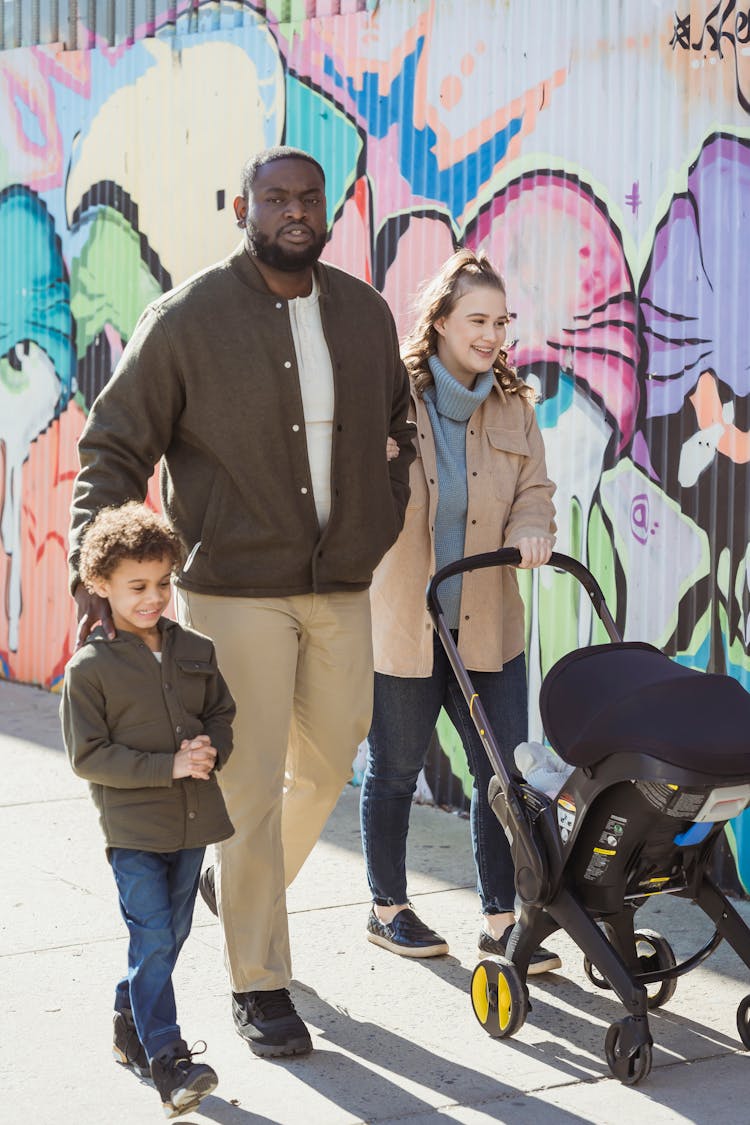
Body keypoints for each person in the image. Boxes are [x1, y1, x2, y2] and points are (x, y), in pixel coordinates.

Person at [67, 146, 416, 1059]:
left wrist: (385, 512)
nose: (294, 210)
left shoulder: (366, 313)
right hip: (233, 589)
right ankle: (259, 982)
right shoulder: (186, 319)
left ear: (327, 209)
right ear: (241, 206)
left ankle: (237, 889)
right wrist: (98, 573)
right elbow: (110, 445)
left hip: (339, 580)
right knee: (250, 785)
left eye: (308, 197)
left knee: (336, 754)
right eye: (275, 197)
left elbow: (396, 426)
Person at [360, 248, 562, 973]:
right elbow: (347, 474)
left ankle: (502, 919)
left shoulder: (515, 404)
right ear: (439, 321)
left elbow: (535, 489)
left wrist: (530, 528)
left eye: (501, 320)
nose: (491, 334)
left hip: (488, 622)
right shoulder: (392, 397)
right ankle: (388, 907)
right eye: (477, 319)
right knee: (395, 769)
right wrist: (369, 455)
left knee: (502, 777)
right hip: (406, 623)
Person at [60, 502, 235, 1119]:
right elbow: (89, 756)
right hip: (133, 830)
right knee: (154, 935)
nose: (154, 597)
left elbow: (221, 713)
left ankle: (128, 1021)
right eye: (137, 586)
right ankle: (171, 1060)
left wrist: (214, 748)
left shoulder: (197, 649)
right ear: (100, 586)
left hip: (192, 824)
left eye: (163, 583)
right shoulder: (89, 670)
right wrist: (166, 766)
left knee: (169, 936)